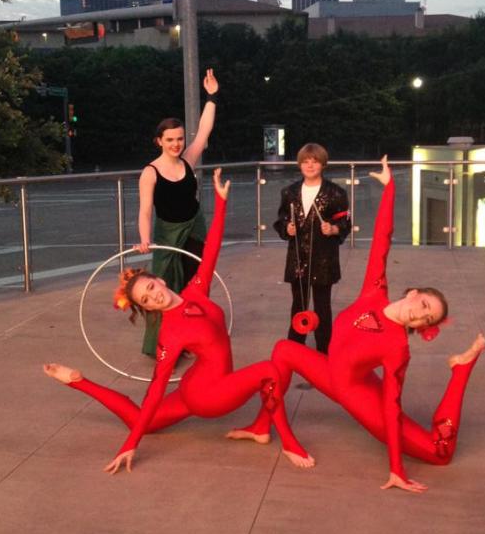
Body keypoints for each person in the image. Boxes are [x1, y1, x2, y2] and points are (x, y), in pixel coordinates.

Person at [228, 156, 485, 494]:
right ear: (413, 292)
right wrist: (390, 189)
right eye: (424, 305)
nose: (420, 316)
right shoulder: (374, 292)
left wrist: (397, 469)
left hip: (360, 397)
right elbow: (383, 238)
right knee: (283, 350)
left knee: (439, 452)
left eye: (427, 319)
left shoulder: (398, 347)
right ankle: (264, 427)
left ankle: (461, 369)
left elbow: (391, 407)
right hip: (330, 373)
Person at [44, 169, 314, 475]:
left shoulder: (196, 290)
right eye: (145, 301)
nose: (153, 298)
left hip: (193, 387)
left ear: (159, 280)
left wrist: (222, 202)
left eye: (150, 289)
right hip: (208, 398)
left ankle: (260, 428)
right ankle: (289, 442)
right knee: (269, 370)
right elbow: (157, 387)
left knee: (141, 421)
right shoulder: (169, 333)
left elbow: (211, 250)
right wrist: (129, 445)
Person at [136, 67, 219, 357]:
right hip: (167, 233)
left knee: (195, 283)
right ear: (159, 140)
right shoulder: (150, 172)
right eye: (170, 139)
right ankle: (160, 344)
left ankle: (193, 337)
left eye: (180, 139)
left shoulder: (188, 159)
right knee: (162, 286)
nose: (176, 144)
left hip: (194, 226)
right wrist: (145, 239)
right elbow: (146, 210)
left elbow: (205, 129)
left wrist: (211, 96)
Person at [274, 143, 350, 354]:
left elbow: (346, 223)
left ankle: (324, 350)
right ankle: (295, 348)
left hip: (324, 259)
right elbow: (281, 220)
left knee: (322, 306)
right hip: (298, 257)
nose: (310, 165)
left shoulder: (336, 193)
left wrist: (333, 229)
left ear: (323, 164)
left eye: (314, 161)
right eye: (305, 161)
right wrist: (287, 229)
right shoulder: (289, 192)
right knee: (298, 304)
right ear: (299, 165)